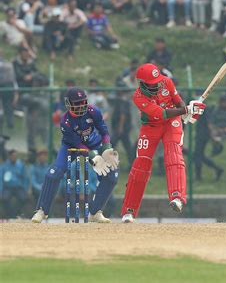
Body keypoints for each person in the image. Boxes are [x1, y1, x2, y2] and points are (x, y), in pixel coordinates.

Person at [120, 63, 206, 223]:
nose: (158, 85)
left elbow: (178, 101)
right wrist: (186, 110)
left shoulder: (166, 81)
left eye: (158, 81)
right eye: (154, 84)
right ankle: (129, 211)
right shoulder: (138, 97)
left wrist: (188, 113)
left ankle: (177, 197)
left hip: (171, 123)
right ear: (143, 84)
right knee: (141, 165)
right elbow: (162, 113)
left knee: (173, 152)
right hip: (151, 126)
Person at [31, 87, 120, 223]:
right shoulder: (65, 121)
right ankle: (41, 210)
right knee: (53, 174)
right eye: (77, 103)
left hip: (93, 142)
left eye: (82, 102)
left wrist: (107, 147)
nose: (80, 106)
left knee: (112, 175)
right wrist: (93, 156)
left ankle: (95, 213)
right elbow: (77, 144)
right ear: (69, 103)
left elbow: (104, 130)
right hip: (71, 145)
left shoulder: (93, 111)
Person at [194, 102, 224, 181]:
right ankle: (218, 169)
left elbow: (209, 123)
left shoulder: (204, 108)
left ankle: (198, 176)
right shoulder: (202, 107)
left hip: (203, 134)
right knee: (200, 155)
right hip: (201, 133)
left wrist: (213, 136)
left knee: (198, 155)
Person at [110, 83, 135, 166]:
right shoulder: (120, 99)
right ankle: (131, 163)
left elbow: (123, 115)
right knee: (126, 146)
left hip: (121, 127)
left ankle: (131, 164)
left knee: (113, 144)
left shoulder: (123, 101)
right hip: (121, 127)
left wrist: (120, 127)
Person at [0, 150, 28, 218]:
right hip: (8, 188)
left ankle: (14, 214)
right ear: (9, 156)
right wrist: (1, 190)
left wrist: (25, 188)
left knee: (23, 198)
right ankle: (11, 215)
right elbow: (1, 179)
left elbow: (25, 178)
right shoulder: (4, 166)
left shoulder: (21, 165)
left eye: (15, 156)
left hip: (18, 187)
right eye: (13, 156)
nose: (14, 157)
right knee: (5, 198)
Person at [0, 53, 18, 131]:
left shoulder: (8, 65)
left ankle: (10, 124)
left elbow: (13, 80)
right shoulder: (8, 65)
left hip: (7, 87)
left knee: (8, 106)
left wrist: (16, 92)